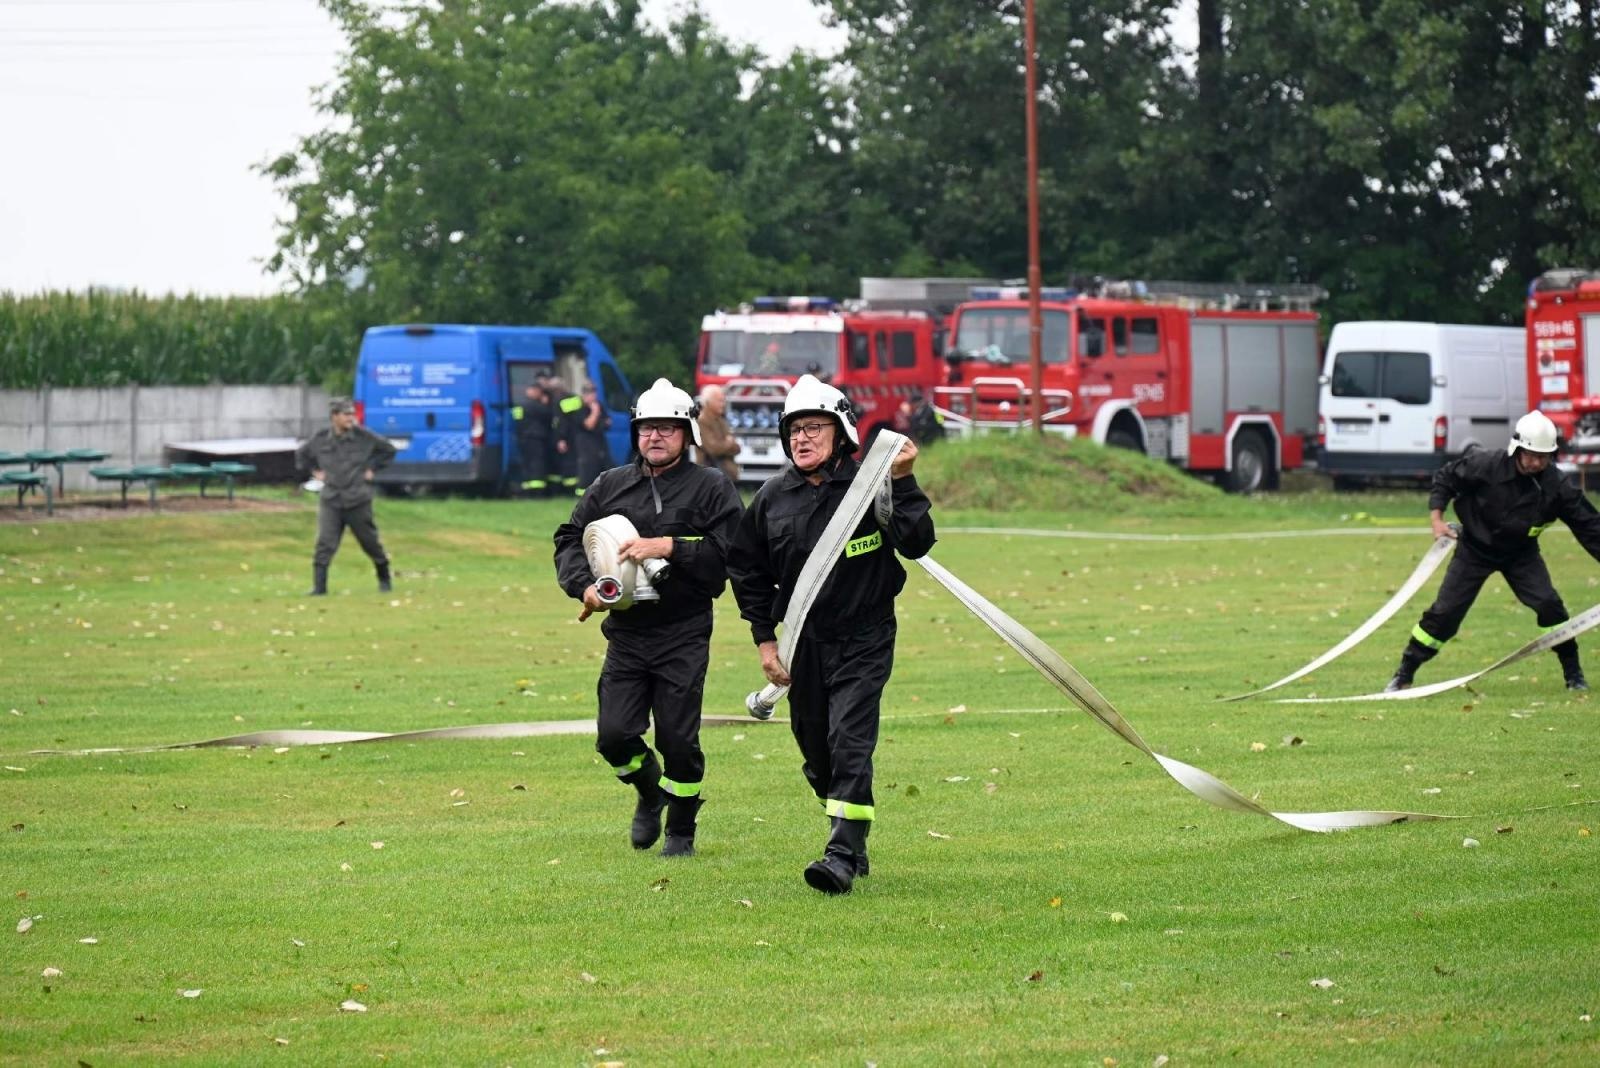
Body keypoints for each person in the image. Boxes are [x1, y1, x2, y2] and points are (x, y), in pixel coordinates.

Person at [727, 373, 936, 895]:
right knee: (815, 750)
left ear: (841, 431)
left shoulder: (871, 486)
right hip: (804, 647)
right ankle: (851, 833)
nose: (802, 438)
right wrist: (765, 639)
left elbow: (916, 544)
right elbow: (747, 571)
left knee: (849, 741)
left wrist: (905, 481)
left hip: (865, 637)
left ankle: (840, 854)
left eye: (814, 427)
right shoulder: (773, 499)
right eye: (794, 429)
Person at [553, 378, 743, 857]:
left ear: (687, 433)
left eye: (666, 428)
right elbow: (569, 538)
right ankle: (647, 789)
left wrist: (671, 547)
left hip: (684, 632)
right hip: (627, 635)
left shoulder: (711, 488)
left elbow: (733, 555)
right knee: (613, 737)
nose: (654, 437)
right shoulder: (610, 485)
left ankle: (681, 831)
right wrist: (585, 586)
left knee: (679, 740)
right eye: (646, 428)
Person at [1385, 410, 1600, 692]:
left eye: (1543, 457)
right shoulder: (1485, 464)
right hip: (1474, 550)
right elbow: (1446, 478)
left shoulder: (1557, 487)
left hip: (1521, 555)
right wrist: (1436, 519)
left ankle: (1573, 674)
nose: (1536, 463)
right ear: (1517, 449)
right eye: (1531, 455)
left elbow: (1590, 527)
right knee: (1445, 613)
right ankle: (1405, 673)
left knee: (1549, 605)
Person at [295, 397, 397, 596]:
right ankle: (319, 587)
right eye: (346, 414)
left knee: (370, 542)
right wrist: (314, 471)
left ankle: (384, 577)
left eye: (353, 414)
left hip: (357, 498)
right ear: (334, 417)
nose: (352, 418)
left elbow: (388, 450)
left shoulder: (364, 437)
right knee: (325, 542)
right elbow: (302, 455)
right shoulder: (321, 438)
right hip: (331, 499)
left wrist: (372, 469)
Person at [544, 373, 583, 496]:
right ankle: (571, 490)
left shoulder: (558, 400)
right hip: (578, 435)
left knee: (567, 465)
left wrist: (560, 438)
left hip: (566, 437)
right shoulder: (575, 398)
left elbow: (560, 421)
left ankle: (566, 492)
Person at [572, 382, 614, 494]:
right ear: (584, 394)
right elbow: (589, 425)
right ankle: (583, 496)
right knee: (587, 469)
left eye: (594, 392)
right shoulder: (579, 407)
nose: (593, 396)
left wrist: (599, 420)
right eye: (590, 393)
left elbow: (608, 422)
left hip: (599, 442)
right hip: (585, 443)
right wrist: (595, 412)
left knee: (606, 466)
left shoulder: (599, 405)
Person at [696, 384, 741, 483]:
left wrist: (726, 445)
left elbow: (737, 448)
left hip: (726, 477)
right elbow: (713, 449)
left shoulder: (721, 421)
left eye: (723, 400)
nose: (723, 404)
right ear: (708, 402)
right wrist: (728, 443)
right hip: (708, 479)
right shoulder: (701, 421)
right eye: (720, 401)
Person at [514, 382, 553, 497]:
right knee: (537, 464)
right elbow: (549, 414)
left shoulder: (519, 405)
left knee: (526, 464)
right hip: (535, 438)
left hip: (522, 438)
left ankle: (527, 491)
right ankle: (538, 492)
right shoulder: (534, 405)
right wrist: (545, 403)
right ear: (535, 391)